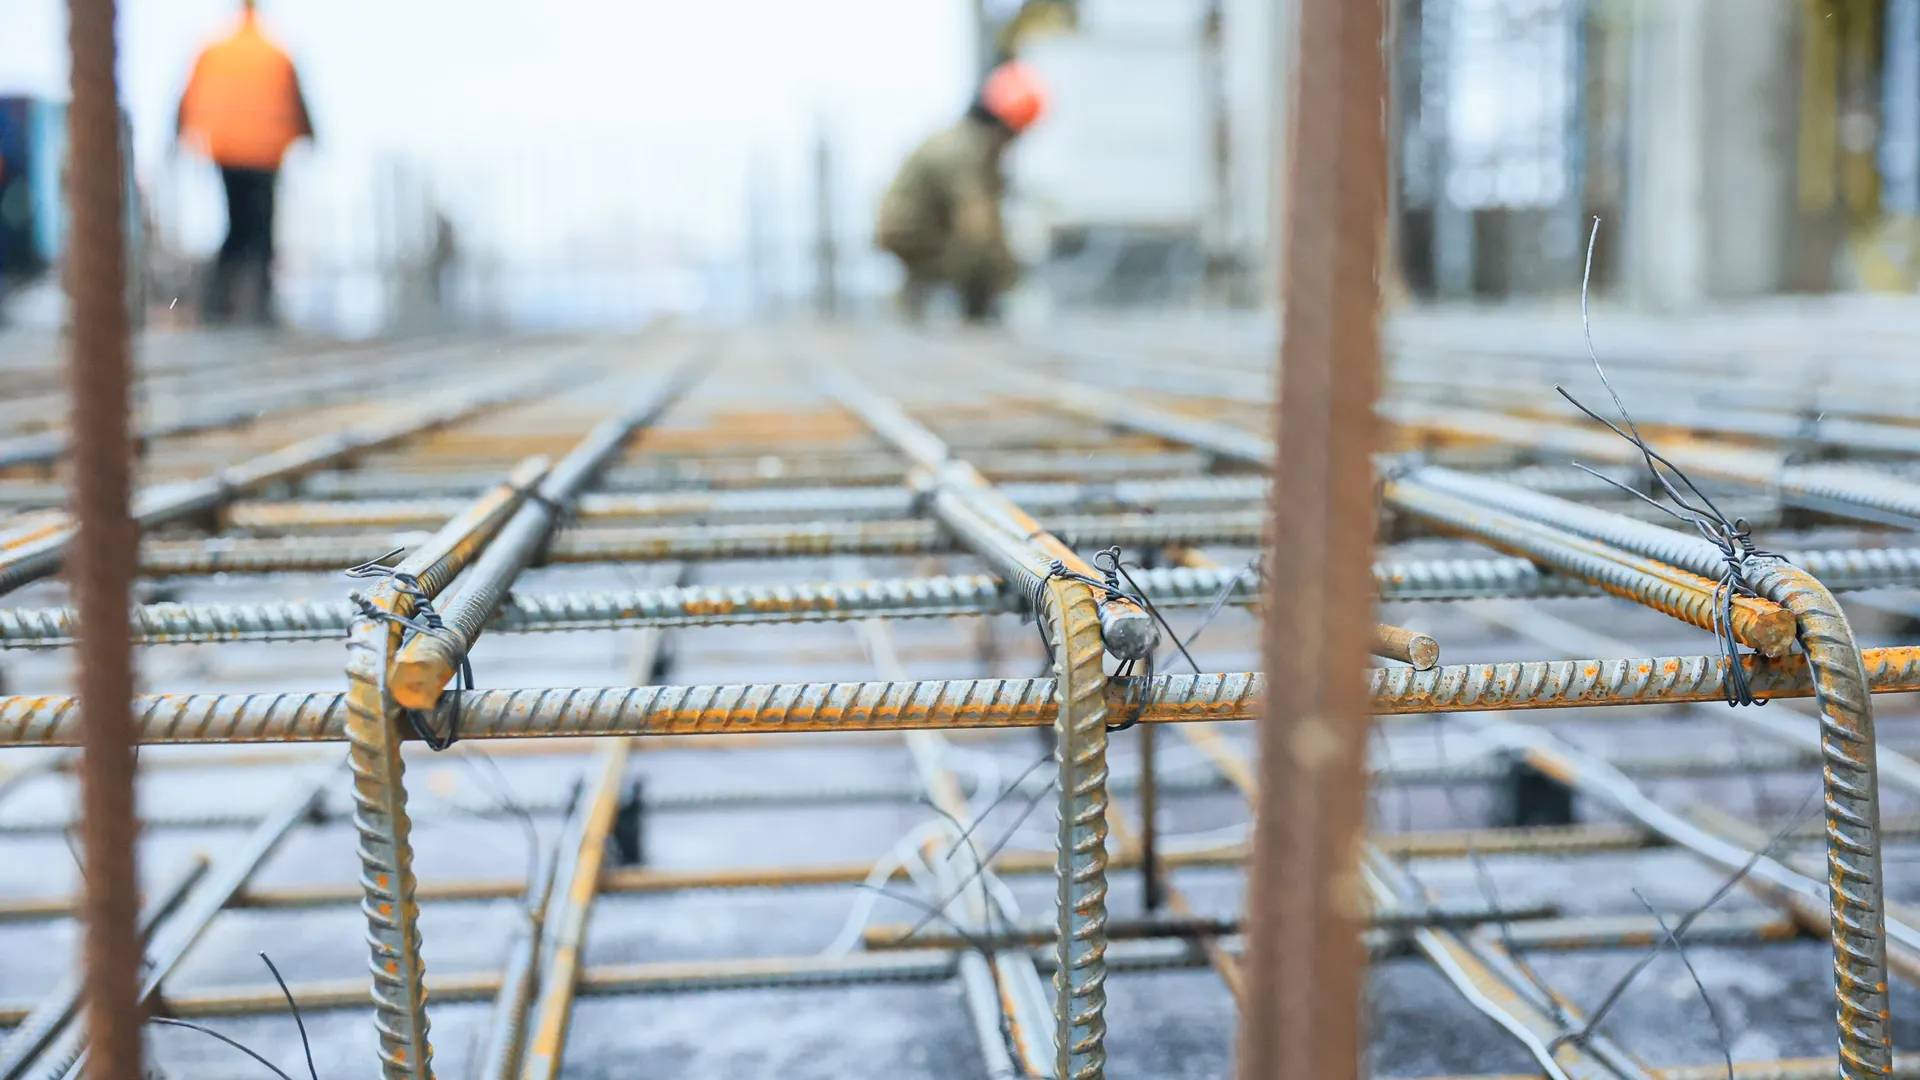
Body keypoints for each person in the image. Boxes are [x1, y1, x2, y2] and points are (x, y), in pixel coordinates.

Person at [876, 61, 1047, 324]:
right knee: (978, 257)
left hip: (918, 229)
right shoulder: (965, 153)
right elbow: (978, 226)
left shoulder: (965, 141)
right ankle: (970, 323)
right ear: (1005, 127)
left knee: (977, 254)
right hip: (912, 233)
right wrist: (1011, 279)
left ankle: (922, 312)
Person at [175, 0, 313, 325]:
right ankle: (262, 308)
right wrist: (311, 136)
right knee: (262, 231)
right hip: (266, 153)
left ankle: (215, 308)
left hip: (226, 151)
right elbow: (298, 100)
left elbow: (185, 97)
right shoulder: (276, 51)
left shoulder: (213, 50)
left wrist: (177, 136)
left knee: (235, 228)